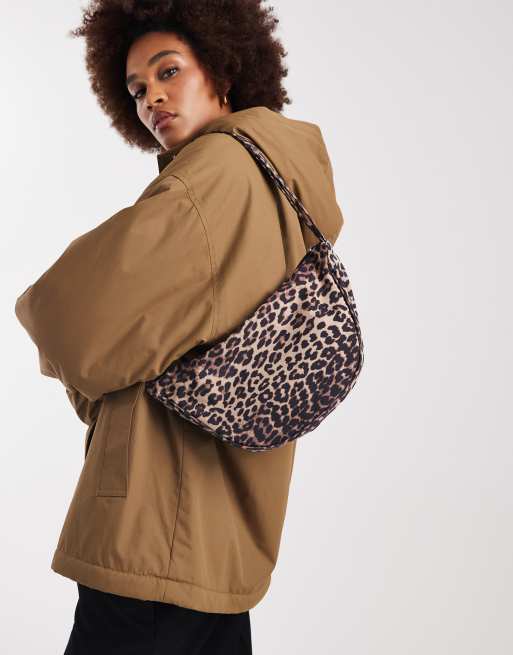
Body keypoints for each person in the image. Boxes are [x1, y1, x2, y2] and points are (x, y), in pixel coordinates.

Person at [14, 0, 345, 652]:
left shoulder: (213, 175)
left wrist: (95, 382)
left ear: (222, 68)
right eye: (137, 89)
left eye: (169, 71)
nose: (152, 99)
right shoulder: (280, 180)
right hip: (219, 538)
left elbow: (64, 316)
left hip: (155, 530)